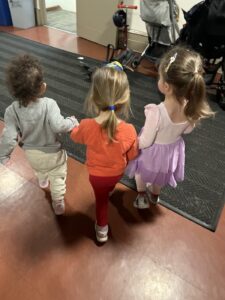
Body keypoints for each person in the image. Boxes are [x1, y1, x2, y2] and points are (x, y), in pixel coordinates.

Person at [126, 46, 214, 209]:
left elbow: (146, 141)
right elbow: (187, 130)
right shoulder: (191, 108)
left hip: (151, 153)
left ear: (166, 86)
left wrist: (134, 143)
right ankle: (155, 196)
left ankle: (141, 196)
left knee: (141, 171)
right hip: (170, 153)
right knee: (160, 176)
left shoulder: (156, 112)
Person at [0, 54, 79, 215]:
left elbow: (9, 137)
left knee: (40, 170)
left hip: (32, 154)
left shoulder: (11, 111)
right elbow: (59, 125)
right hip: (53, 154)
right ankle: (57, 202)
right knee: (58, 177)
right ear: (42, 87)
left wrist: (3, 157)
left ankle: (42, 180)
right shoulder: (49, 104)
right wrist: (72, 122)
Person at [70, 62, 138, 243]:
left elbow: (75, 137)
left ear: (93, 97)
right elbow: (133, 156)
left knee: (101, 202)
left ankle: (102, 230)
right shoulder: (130, 130)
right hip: (116, 174)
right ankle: (109, 190)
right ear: (124, 98)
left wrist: (73, 126)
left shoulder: (86, 126)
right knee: (108, 189)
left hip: (96, 175)